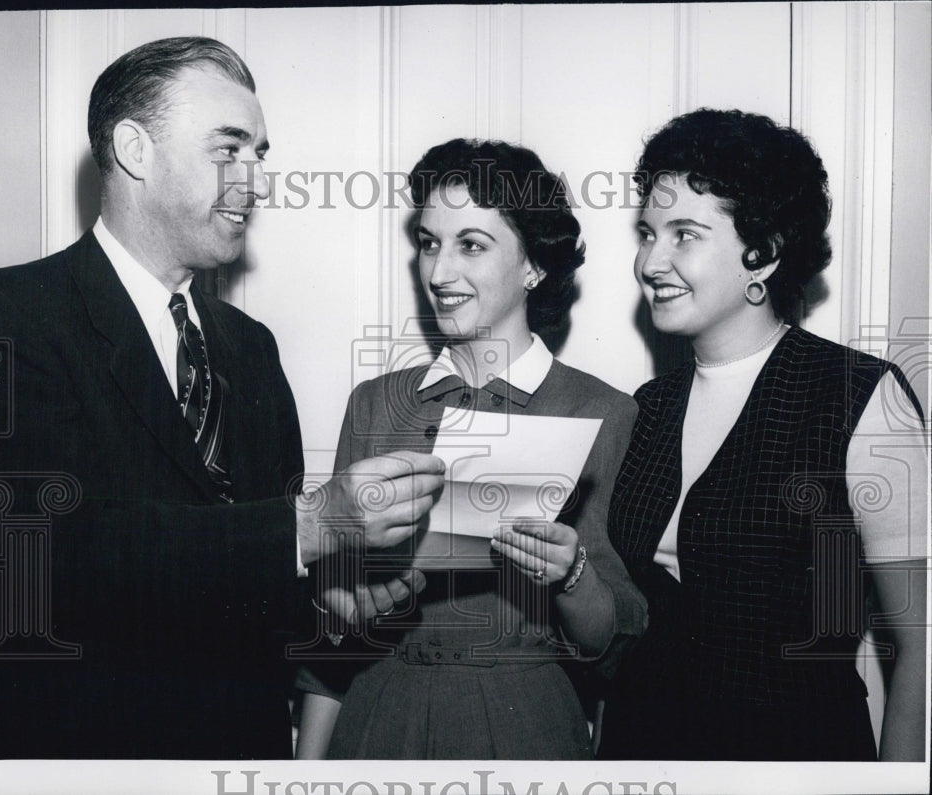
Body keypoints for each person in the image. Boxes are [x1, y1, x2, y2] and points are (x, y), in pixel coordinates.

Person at [0, 36, 442, 760]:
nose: (256, 181)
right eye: (229, 148)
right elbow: (50, 557)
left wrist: (325, 594)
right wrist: (308, 527)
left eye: (260, 154)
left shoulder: (251, 345)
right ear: (135, 149)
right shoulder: (1, 318)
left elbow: (248, 560)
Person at [294, 139, 648, 760]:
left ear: (534, 266)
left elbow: (610, 643)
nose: (438, 272)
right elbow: (331, 643)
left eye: (471, 245)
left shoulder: (602, 411)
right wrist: (305, 774)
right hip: (380, 720)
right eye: (430, 243)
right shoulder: (376, 403)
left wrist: (571, 573)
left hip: (526, 728)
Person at [598, 108, 928, 761]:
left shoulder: (861, 398)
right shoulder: (647, 408)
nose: (649, 259)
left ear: (766, 252)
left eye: (683, 233)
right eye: (647, 232)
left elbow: (921, 643)